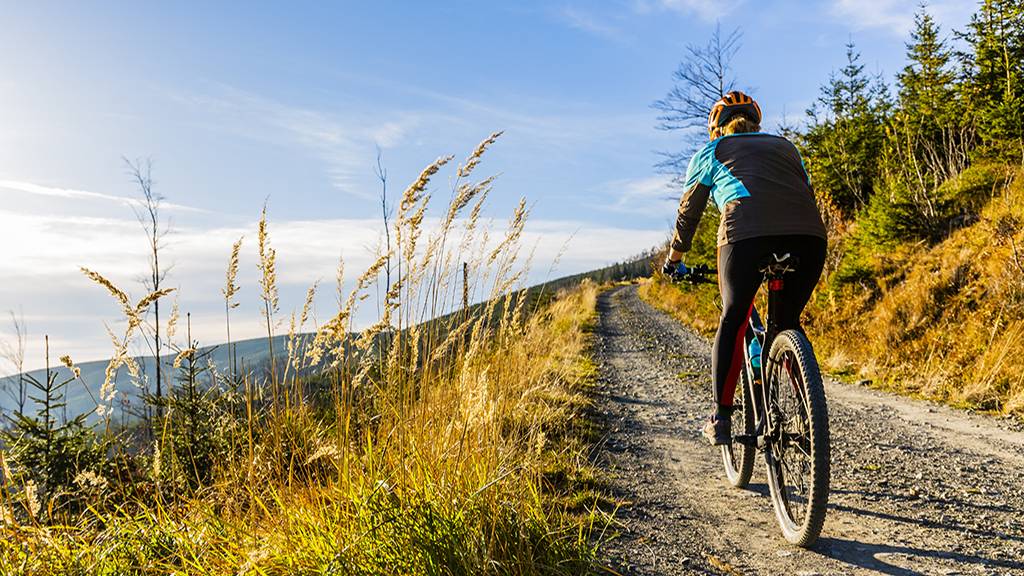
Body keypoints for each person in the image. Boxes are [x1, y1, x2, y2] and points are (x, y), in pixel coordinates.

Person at [661, 91, 827, 445]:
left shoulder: (711, 152)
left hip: (746, 237)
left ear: (716, 128)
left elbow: (688, 215)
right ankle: (810, 414)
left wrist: (674, 259)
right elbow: (805, 192)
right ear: (756, 122)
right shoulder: (787, 147)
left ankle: (720, 418)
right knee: (786, 324)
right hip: (809, 237)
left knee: (734, 317)